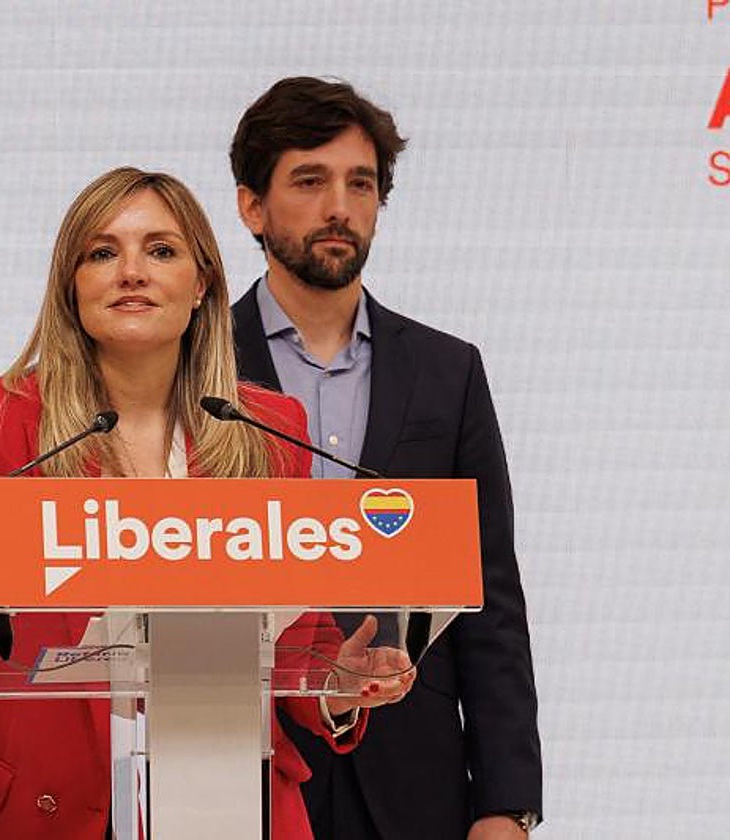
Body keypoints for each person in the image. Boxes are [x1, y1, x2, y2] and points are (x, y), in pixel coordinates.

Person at [0, 166, 414, 839]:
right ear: (71, 287)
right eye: (102, 253)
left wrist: (340, 683)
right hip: (34, 812)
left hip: (227, 807)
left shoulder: (270, 432)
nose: (130, 271)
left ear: (202, 285)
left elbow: (296, 648)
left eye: (160, 250)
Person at [229, 77, 543, 839]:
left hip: (416, 780)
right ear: (252, 207)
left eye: (360, 184)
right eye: (310, 180)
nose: (341, 206)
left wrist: (507, 807)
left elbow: (489, 598)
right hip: (243, 769)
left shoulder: (448, 371)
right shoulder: (193, 365)